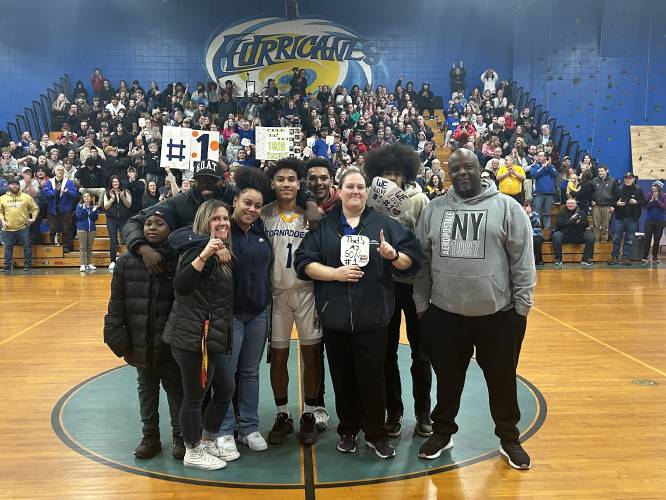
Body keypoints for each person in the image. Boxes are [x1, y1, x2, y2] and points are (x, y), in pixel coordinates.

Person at [413, 148, 536, 470]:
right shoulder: (434, 209)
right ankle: (443, 432)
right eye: (456, 168)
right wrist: (422, 306)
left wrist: (521, 308)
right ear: (448, 172)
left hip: (498, 315)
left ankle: (509, 438)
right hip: (445, 313)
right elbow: (422, 262)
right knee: (448, 379)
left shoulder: (507, 208)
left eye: (468, 166)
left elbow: (523, 262)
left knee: (501, 379)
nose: (462, 172)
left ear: (480, 168)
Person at [294, 168, 421, 460]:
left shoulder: (384, 224)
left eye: (360, 187)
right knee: (343, 378)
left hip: (373, 319)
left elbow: (411, 260)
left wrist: (393, 256)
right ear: (340, 190)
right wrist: (334, 273)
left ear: (367, 191)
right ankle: (348, 430)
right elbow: (303, 263)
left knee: (373, 378)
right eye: (350, 186)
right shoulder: (325, 227)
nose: (355, 191)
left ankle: (376, 434)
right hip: (335, 318)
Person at [104, 205, 185, 461]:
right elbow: (116, 302)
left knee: (176, 389)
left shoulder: (178, 260)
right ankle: (150, 435)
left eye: (159, 224)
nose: (151, 227)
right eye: (148, 223)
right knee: (146, 388)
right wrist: (115, 334)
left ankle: (180, 435)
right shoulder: (127, 262)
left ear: (170, 230)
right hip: (140, 341)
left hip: (170, 342)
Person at [161, 200, 236, 470]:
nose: (222, 223)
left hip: (211, 336)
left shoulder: (224, 249)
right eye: (216, 219)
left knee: (226, 389)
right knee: (194, 397)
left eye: (225, 218)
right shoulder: (196, 248)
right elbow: (181, 286)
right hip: (191, 337)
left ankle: (207, 439)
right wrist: (204, 254)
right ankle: (192, 451)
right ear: (204, 222)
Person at [364, 144, 432, 438]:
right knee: (386, 353)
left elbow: (426, 243)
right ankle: (395, 412)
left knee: (422, 354)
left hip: (414, 286)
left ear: (407, 175)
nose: (392, 178)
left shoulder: (420, 201)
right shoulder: (369, 200)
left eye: (398, 174)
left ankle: (423, 413)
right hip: (383, 287)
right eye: (387, 173)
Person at [262, 159, 323, 446]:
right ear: (272, 183)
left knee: (311, 356)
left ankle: (309, 413)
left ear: (299, 184)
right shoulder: (262, 216)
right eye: (280, 179)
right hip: (276, 297)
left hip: (306, 293)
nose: (286, 184)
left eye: (291, 179)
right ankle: (282, 414)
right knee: (279, 356)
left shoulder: (312, 216)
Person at [216, 168, 272, 453]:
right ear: (235, 201)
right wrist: (213, 245)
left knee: (250, 372)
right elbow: (180, 238)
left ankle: (248, 427)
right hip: (231, 315)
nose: (252, 209)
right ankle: (225, 430)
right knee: (227, 373)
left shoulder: (261, 232)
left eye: (258, 206)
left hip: (258, 314)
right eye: (247, 203)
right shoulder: (221, 229)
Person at [0, 178, 39, 272]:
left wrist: (33, 218)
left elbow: (35, 208)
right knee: (8, 248)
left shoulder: (26, 197)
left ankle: (27, 266)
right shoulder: (2, 198)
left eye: (16, 184)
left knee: (27, 247)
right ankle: (7, 267)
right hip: (8, 228)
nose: (14, 186)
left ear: (19, 186)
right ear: (8, 186)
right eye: (12, 184)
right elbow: (0, 212)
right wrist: (2, 220)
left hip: (23, 227)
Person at [608, 172, 645, 266]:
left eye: (630, 178)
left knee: (629, 239)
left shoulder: (638, 189)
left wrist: (637, 201)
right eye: (626, 178)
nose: (628, 180)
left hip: (632, 219)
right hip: (619, 218)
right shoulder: (619, 189)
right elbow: (612, 201)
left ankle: (626, 258)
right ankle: (614, 257)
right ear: (624, 179)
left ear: (633, 179)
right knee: (616, 238)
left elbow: (644, 202)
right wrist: (617, 204)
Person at [42, 165, 77, 253]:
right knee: (53, 229)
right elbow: (46, 194)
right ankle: (54, 245)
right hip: (52, 210)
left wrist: (67, 191)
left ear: (64, 172)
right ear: (55, 171)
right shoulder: (49, 182)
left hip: (65, 209)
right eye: (58, 170)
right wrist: (56, 190)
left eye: (62, 170)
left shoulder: (68, 182)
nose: (60, 171)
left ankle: (66, 247)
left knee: (66, 229)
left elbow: (74, 194)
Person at [552, 198, 596, 266]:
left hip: (578, 234)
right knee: (556, 235)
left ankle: (586, 259)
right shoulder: (561, 212)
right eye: (568, 203)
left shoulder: (581, 212)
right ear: (566, 204)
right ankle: (558, 259)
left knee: (591, 237)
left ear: (575, 204)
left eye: (572, 203)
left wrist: (578, 222)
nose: (570, 204)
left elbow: (586, 224)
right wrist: (570, 222)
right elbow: (558, 224)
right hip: (565, 235)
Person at [103, 175, 132, 270]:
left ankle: (129, 260)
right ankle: (112, 261)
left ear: (120, 182)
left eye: (117, 181)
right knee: (112, 240)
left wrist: (123, 197)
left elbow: (129, 205)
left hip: (124, 219)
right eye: (113, 182)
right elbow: (106, 206)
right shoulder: (107, 192)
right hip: (111, 219)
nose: (115, 183)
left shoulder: (126, 191)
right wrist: (112, 199)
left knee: (126, 239)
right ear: (111, 183)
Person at [530, 152, 558, 230]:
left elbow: (555, 174)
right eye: (538, 156)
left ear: (545, 157)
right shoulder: (534, 166)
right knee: (536, 212)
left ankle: (547, 230)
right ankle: (536, 228)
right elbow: (534, 175)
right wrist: (543, 167)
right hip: (538, 193)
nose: (538, 157)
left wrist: (548, 166)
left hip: (549, 193)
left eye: (541, 156)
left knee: (547, 213)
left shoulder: (551, 166)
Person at [591, 165, 618, 242]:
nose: (600, 173)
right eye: (599, 171)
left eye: (602, 171)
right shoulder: (594, 180)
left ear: (607, 171)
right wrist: (591, 200)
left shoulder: (613, 181)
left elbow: (616, 195)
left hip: (607, 206)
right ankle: (595, 244)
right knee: (596, 226)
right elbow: (589, 192)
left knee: (605, 226)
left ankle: (603, 244)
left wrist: (613, 205)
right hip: (596, 206)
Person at [642, 180, 665, 264]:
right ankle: (645, 256)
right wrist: (651, 201)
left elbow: (664, 207)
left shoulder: (664, 196)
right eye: (652, 187)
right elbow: (645, 206)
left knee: (657, 239)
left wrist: (656, 200)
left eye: (654, 187)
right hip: (649, 220)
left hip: (660, 220)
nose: (653, 188)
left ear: (659, 188)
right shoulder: (648, 195)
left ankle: (655, 257)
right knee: (647, 238)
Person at [75, 192, 98, 272]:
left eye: (88, 196)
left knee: (89, 247)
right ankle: (82, 264)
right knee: (82, 247)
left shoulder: (93, 207)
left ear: (90, 198)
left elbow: (94, 218)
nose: (87, 198)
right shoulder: (79, 206)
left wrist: (94, 211)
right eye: (85, 196)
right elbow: (79, 217)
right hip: (82, 229)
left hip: (91, 229)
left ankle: (89, 263)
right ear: (83, 198)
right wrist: (84, 210)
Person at [524, 201, 544, 265]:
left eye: (529, 206)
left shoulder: (535, 214)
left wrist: (529, 215)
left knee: (536, 241)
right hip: (524, 234)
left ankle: (539, 260)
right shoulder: (520, 214)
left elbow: (537, 223)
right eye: (526, 206)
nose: (528, 208)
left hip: (536, 234)